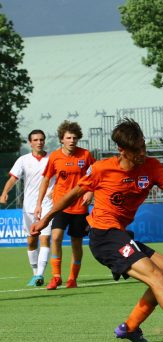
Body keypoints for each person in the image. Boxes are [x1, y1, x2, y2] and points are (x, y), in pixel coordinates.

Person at [30, 118, 163, 342]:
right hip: (103, 236)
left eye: (144, 147)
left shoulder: (151, 167)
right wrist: (45, 218)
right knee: (155, 277)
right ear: (122, 150)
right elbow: (73, 194)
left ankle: (130, 327)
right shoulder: (102, 169)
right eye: (137, 150)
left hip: (121, 235)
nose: (142, 153)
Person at [34, 121, 95, 290]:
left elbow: (96, 176)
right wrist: (39, 204)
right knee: (55, 238)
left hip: (80, 207)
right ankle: (56, 277)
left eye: (74, 137)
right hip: (60, 206)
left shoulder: (86, 155)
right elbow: (46, 179)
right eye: (68, 137)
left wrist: (90, 192)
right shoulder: (55, 156)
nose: (72, 140)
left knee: (76, 243)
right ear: (62, 139)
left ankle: (72, 278)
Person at [1, 130, 54, 286]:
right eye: (36, 140)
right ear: (30, 142)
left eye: (42, 139)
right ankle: (34, 273)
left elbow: (61, 178)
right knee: (31, 241)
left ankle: (40, 275)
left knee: (45, 238)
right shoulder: (23, 160)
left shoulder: (52, 159)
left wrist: (54, 191)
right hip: (29, 206)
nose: (39, 142)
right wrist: (4, 192)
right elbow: (13, 178)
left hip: (47, 205)